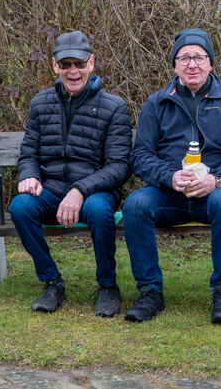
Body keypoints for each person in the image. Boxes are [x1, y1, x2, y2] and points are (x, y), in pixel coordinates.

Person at [122, 28, 221, 324]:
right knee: (135, 204)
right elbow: (140, 155)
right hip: (169, 196)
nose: (192, 64)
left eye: (199, 57)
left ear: (210, 62)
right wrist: (169, 176)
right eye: (184, 58)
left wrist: (217, 179)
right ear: (175, 65)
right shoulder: (157, 103)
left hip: (214, 193)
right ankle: (149, 292)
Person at [9, 31, 132, 317]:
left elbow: (119, 166)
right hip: (51, 190)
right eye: (66, 64)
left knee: (99, 211)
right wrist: (29, 175)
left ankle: (107, 286)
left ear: (91, 63)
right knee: (20, 206)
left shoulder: (114, 107)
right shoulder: (40, 104)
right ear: (55, 66)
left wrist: (80, 190)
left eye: (79, 63)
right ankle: (52, 282)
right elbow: (28, 153)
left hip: (95, 190)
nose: (73, 71)